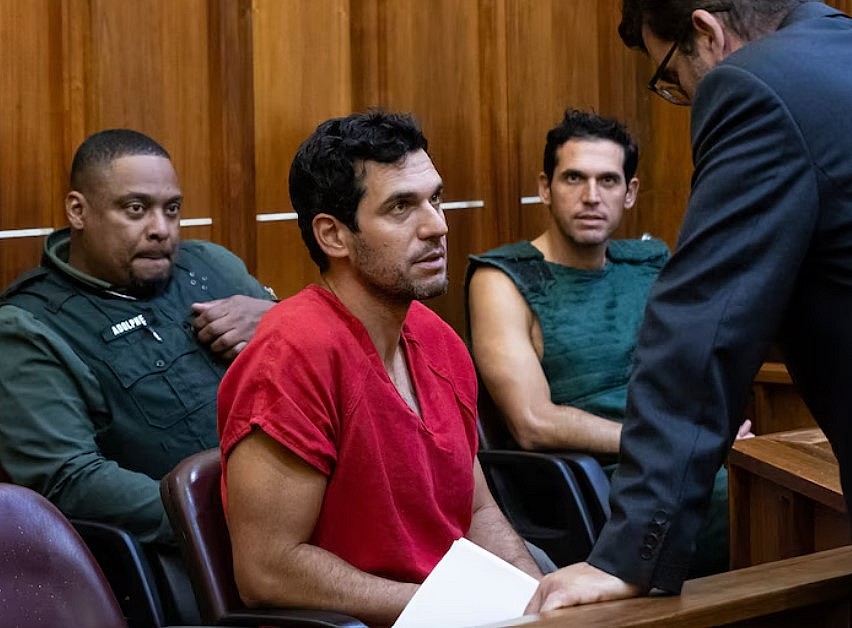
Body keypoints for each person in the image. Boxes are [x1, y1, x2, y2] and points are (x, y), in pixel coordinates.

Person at [526, 0, 852, 613]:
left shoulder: (754, 83)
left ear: (706, 31)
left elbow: (700, 331)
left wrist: (628, 556)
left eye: (672, 79)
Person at [218, 110, 542, 626]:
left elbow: (476, 512)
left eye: (434, 199)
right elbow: (268, 571)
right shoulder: (291, 355)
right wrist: (451, 611)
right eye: (400, 207)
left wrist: (538, 603)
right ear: (334, 236)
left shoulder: (439, 339)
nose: (437, 225)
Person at [467, 108, 748, 577]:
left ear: (630, 192)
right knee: (754, 507)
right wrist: (673, 444)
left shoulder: (647, 262)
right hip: (604, 476)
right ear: (545, 187)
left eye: (608, 181)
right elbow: (533, 422)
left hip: (684, 454)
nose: (591, 197)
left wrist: (712, 432)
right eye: (574, 178)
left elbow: (700, 359)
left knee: (787, 490)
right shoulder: (504, 277)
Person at [0, 129, 276, 545]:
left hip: (310, 503)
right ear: (78, 211)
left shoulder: (213, 266)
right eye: (135, 209)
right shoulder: (29, 326)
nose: (161, 229)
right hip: (202, 553)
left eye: (173, 209)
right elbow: (70, 482)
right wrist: (233, 514)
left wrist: (278, 320)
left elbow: (326, 369)